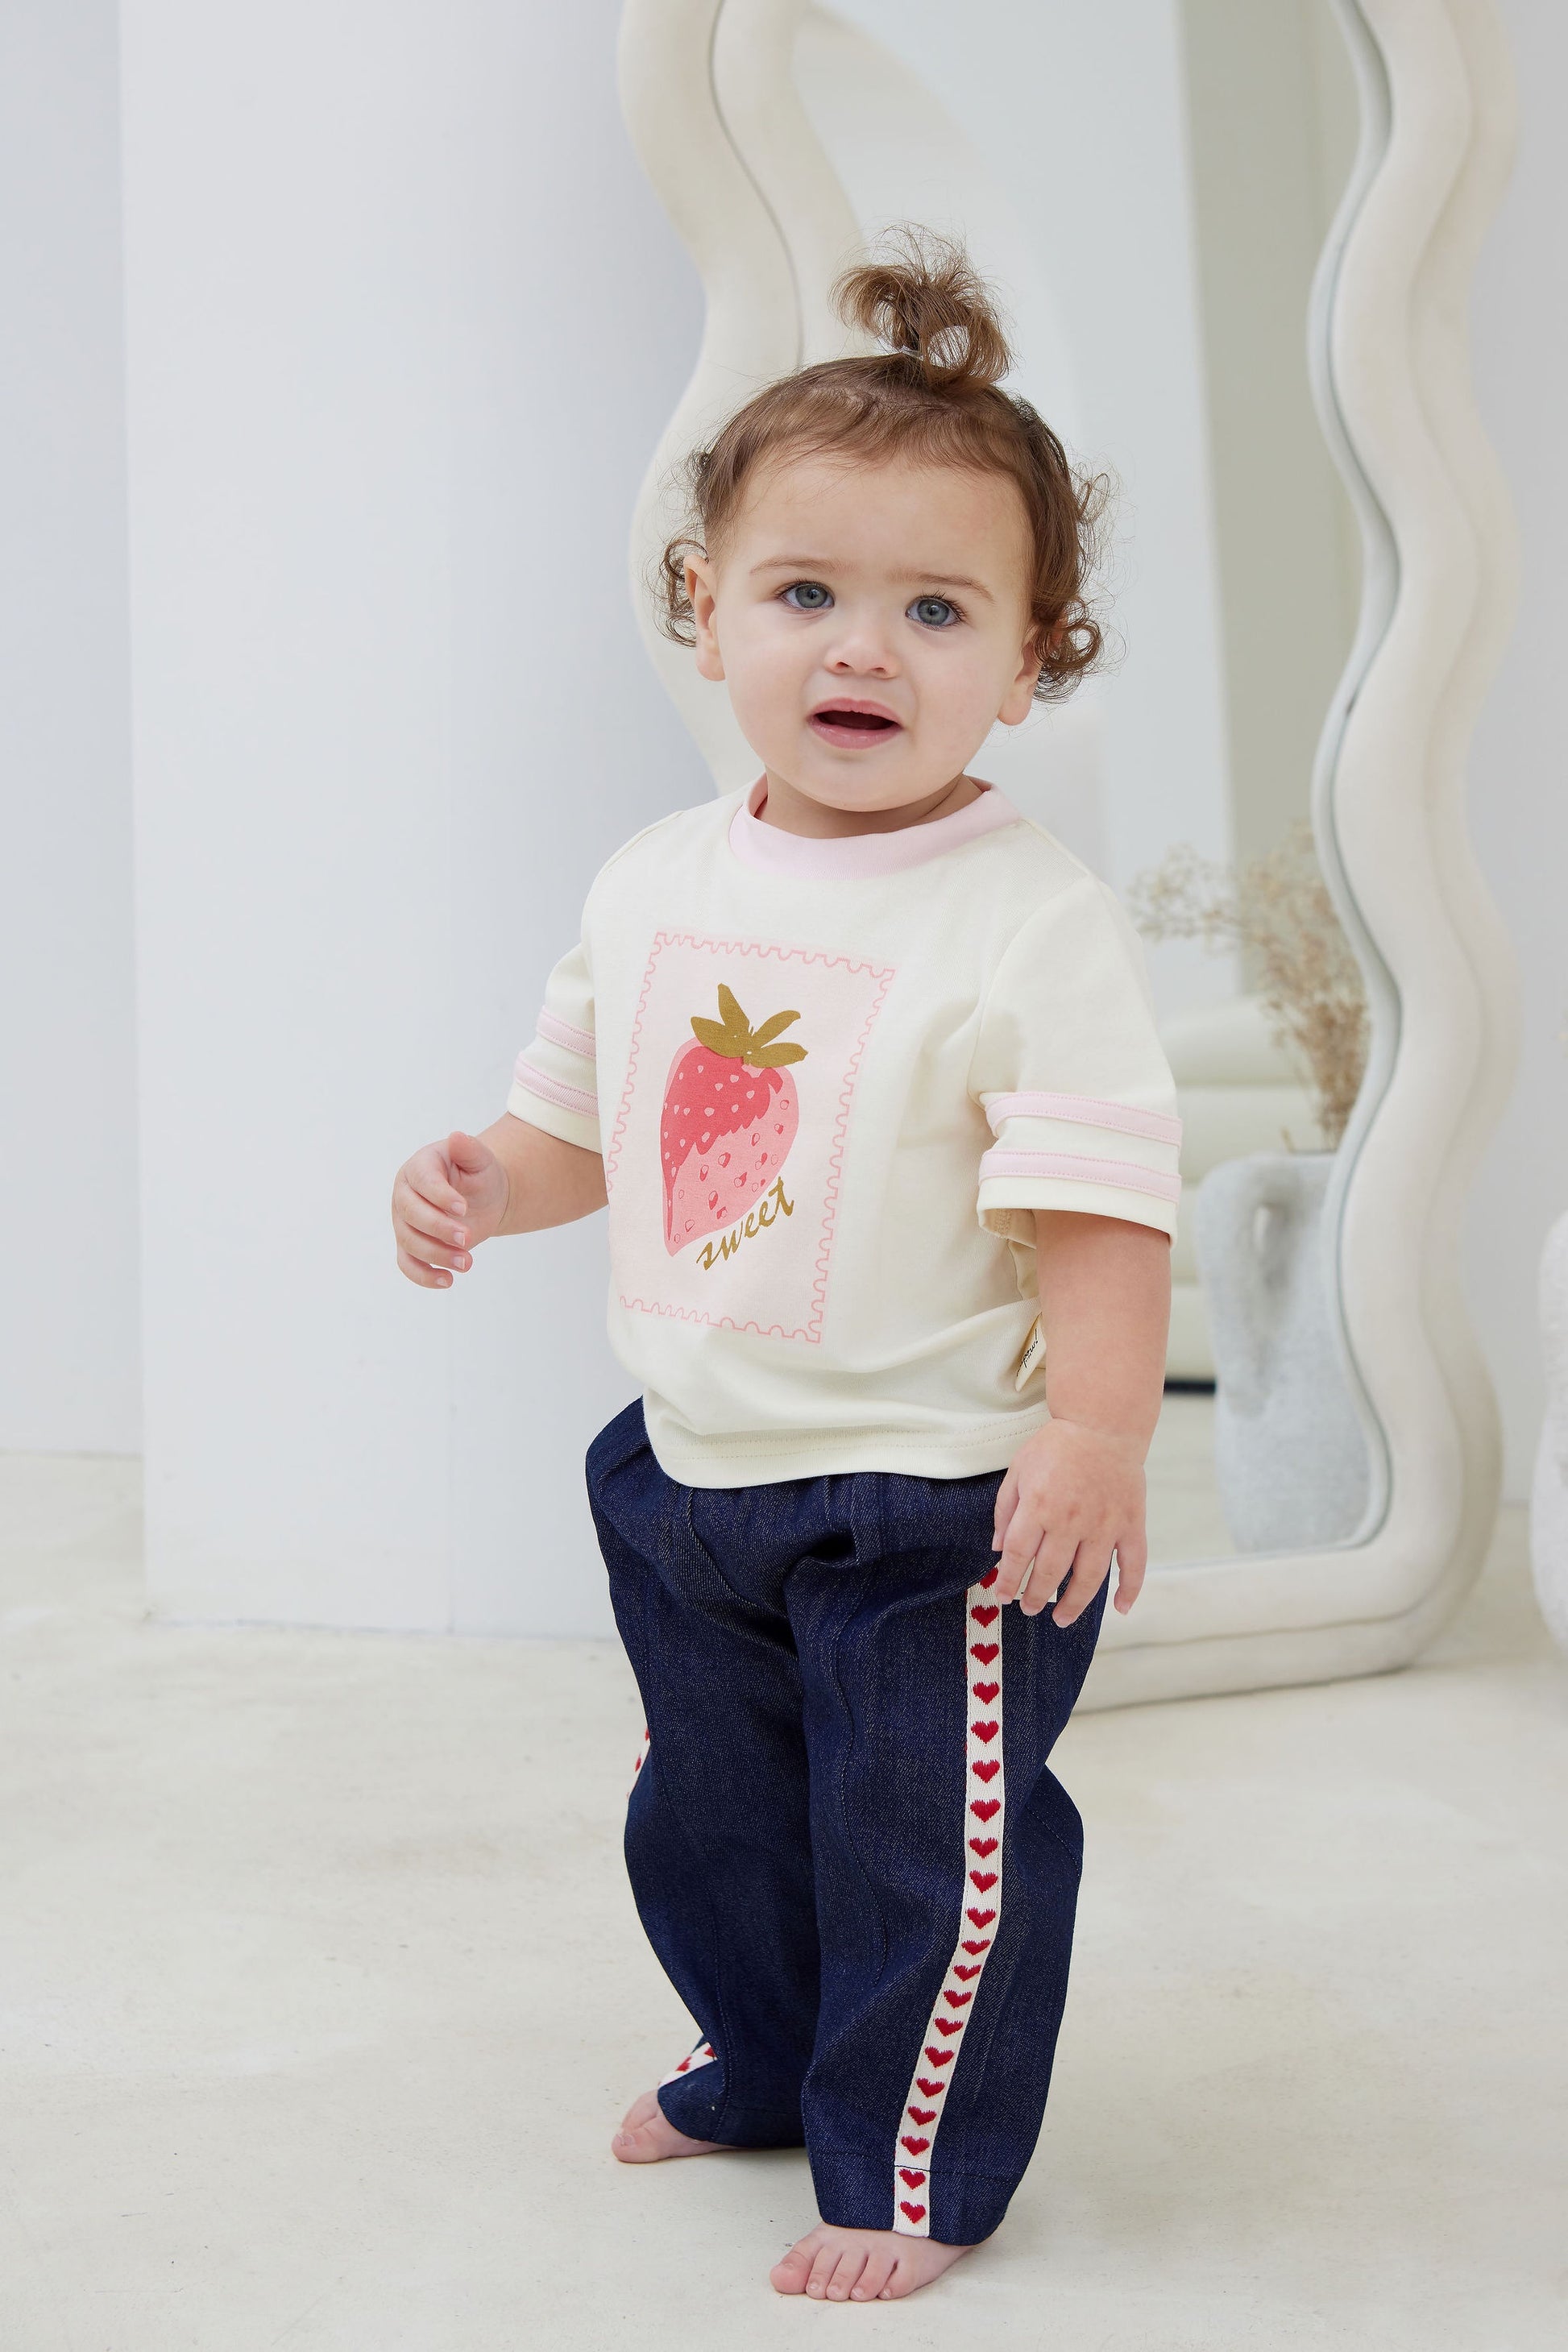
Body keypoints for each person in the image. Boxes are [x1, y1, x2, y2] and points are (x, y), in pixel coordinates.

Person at [391, 231, 1179, 2304]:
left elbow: (1097, 1199)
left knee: (930, 1846)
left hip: (938, 1497)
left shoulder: (1025, 916)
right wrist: (483, 1178)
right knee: (713, 1817)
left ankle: (910, 2159)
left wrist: (1098, 1426)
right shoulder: (654, 880)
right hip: (694, 1467)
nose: (864, 649)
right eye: (805, 592)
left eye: (938, 609)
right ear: (706, 604)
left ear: (1029, 657)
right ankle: (757, 2054)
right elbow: (590, 1131)